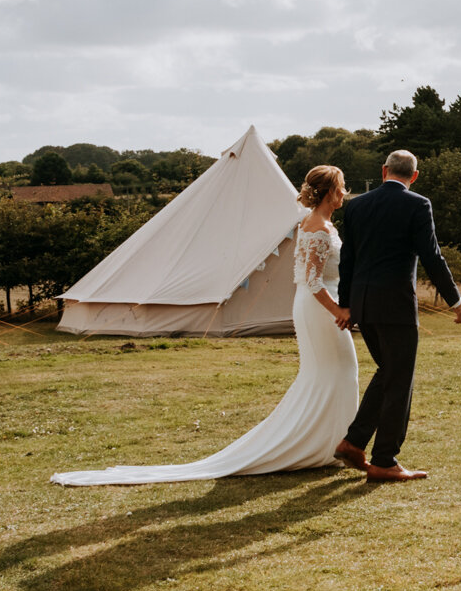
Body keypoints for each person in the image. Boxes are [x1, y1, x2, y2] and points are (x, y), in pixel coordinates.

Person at [52, 164, 360, 486]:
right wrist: (338, 310)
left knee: (329, 374)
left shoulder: (315, 224)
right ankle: (320, 445)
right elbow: (310, 280)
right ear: (328, 192)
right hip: (320, 308)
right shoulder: (318, 228)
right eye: (340, 187)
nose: (344, 193)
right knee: (337, 371)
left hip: (315, 306)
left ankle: (327, 444)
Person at [334, 148, 461, 484]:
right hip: (396, 305)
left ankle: (353, 442)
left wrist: (346, 304)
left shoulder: (356, 206)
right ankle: (383, 460)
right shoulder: (418, 204)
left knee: (388, 372)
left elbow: (347, 260)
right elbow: (432, 256)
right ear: (414, 176)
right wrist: (455, 300)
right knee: (399, 379)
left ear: (384, 171)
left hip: (364, 304)